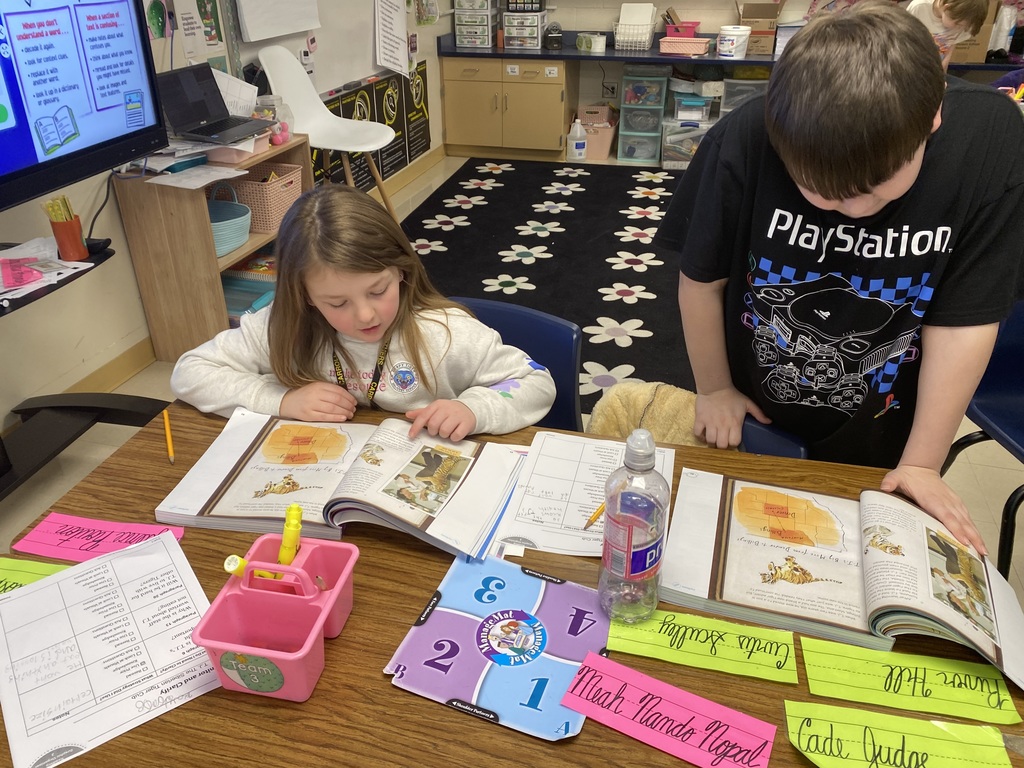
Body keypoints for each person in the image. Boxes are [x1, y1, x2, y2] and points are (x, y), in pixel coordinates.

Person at [654, 2, 1024, 554]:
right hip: (756, 405)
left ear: (932, 121)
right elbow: (702, 279)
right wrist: (714, 387)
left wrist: (922, 463)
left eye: (871, 189)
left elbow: (965, 320)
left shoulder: (992, 141)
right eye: (817, 190)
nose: (847, 209)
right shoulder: (745, 135)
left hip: (892, 420)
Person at [171, 185, 556, 441]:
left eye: (378, 290)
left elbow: (535, 382)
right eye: (337, 303)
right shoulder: (279, 326)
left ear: (402, 270)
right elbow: (189, 372)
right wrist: (280, 401)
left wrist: (472, 408)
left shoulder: (446, 333)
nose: (366, 315)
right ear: (304, 295)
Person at [906, 0, 990, 68]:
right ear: (947, 8)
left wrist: (941, 77)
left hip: (934, 69)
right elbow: (902, 42)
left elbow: (948, 50)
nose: (959, 29)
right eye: (958, 24)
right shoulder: (919, 8)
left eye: (963, 27)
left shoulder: (962, 22)